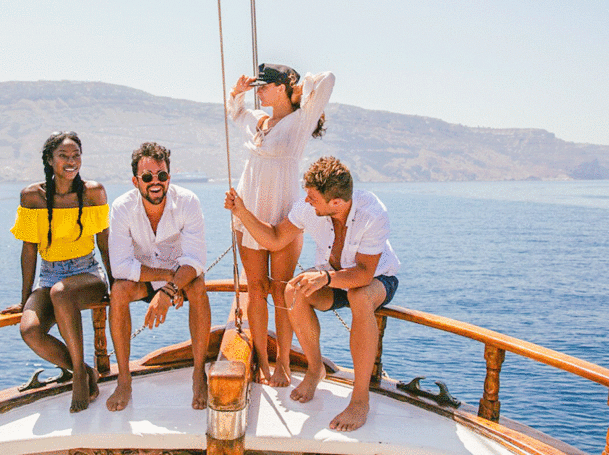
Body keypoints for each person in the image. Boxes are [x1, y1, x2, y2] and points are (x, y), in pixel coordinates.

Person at [224, 156, 400, 432]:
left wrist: (327, 277)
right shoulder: (310, 210)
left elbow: (364, 273)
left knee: (359, 297)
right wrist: (242, 212)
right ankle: (315, 367)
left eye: (312, 198)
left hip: (377, 279)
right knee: (292, 290)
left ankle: (360, 399)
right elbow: (274, 238)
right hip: (330, 277)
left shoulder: (373, 213)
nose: (306, 202)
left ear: (337, 203)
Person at [226, 63, 335, 387]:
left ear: (284, 87)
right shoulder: (258, 122)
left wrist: (302, 86)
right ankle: (261, 361)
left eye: (266, 84)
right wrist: (238, 92)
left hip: (284, 213)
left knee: (281, 290)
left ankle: (283, 363)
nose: (260, 90)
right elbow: (235, 112)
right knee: (256, 290)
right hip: (248, 213)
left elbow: (328, 80)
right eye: (258, 85)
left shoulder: (301, 121)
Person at [1, 131, 112, 413]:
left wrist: (114, 284)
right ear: (50, 160)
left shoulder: (93, 192)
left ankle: (78, 378)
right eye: (63, 156)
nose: (71, 161)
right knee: (30, 331)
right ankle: (86, 372)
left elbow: (104, 242)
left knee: (62, 293)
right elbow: (29, 251)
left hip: (87, 273)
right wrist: (25, 297)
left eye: (76, 156)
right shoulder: (32, 196)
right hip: (49, 276)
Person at [105, 142, 212, 412]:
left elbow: (195, 261)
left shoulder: (188, 202)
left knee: (198, 286)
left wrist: (170, 289)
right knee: (118, 291)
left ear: (169, 177)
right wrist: (167, 279)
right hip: (147, 279)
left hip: (181, 280)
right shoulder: (121, 207)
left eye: (161, 176)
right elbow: (120, 267)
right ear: (135, 181)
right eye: (147, 177)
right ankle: (124, 378)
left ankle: (199, 373)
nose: (156, 182)